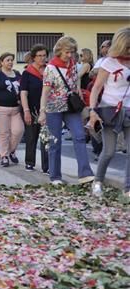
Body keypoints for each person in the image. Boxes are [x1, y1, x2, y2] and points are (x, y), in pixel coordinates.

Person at [38, 36, 94, 185]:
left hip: (71, 106)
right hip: (53, 108)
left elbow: (76, 84)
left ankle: (85, 174)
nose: (70, 55)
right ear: (59, 50)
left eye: (72, 52)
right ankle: (55, 176)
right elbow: (45, 91)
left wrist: (81, 100)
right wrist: (42, 111)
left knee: (80, 136)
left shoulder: (73, 64)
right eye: (67, 52)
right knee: (55, 142)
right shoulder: (51, 68)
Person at [88, 27, 130, 198]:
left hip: (129, 109)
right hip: (109, 109)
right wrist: (92, 110)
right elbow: (96, 88)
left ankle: (127, 188)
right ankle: (98, 180)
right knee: (109, 151)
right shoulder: (108, 63)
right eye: (127, 47)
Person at [0, 52, 23, 167]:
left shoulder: (17, 75)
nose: (10, 62)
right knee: (3, 133)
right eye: (7, 60)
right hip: (0, 109)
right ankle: (4, 156)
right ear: (2, 62)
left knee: (18, 131)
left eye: (12, 60)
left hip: (16, 109)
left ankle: (11, 151)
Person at [21, 44, 49, 173]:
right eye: (39, 56)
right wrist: (26, 110)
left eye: (44, 55)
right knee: (31, 137)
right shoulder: (27, 73)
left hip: (48, 109)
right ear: (33, 57)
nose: (42, 58)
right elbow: (23, 93)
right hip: (32, 109)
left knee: (46, 138)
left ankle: (47, 166)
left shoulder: (49, 70)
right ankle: (30, 162)